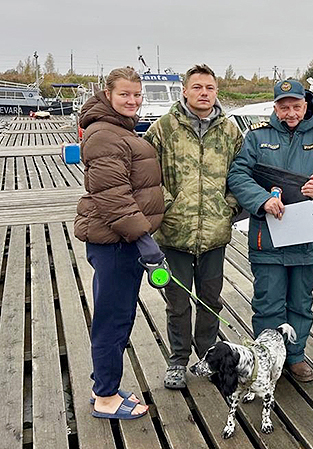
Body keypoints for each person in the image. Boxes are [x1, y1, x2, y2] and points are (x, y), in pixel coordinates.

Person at [227, 79, 313, 382]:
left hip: (307, 238)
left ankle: (295, 357)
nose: (290, 112)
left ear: (305, 107)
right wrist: (262, 200)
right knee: (268, 302)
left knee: (301, 302)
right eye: (284, 107)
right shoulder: (256, 138)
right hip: (268, 238)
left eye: (296, 106)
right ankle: (265, 360)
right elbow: (238, 175)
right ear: (275, 108)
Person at [143, 64, 243, 389]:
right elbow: (146, 176)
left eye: (209, 88)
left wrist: (229, 207)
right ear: (185, 91)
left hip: (215, 233)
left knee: (211, 299)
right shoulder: (162, 129)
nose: (203, 93)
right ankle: (178, 359)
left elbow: (243, 175)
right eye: (197, 87)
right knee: (177, 302)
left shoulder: (230, 132)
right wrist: (167, 205)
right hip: (174, 233)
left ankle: (208, 354)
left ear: (216, 92)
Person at [74, 66, 165, 419]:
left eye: (137, 94)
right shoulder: (103, 136)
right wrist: (144, 240)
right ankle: (105, 397)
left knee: (119, 315)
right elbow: (113, 196)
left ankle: (105, 384)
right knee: (112, 320)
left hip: (123, 241)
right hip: (116, 242)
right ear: (108, 95)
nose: (132, 100)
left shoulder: (117, 130)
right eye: (125, 94)